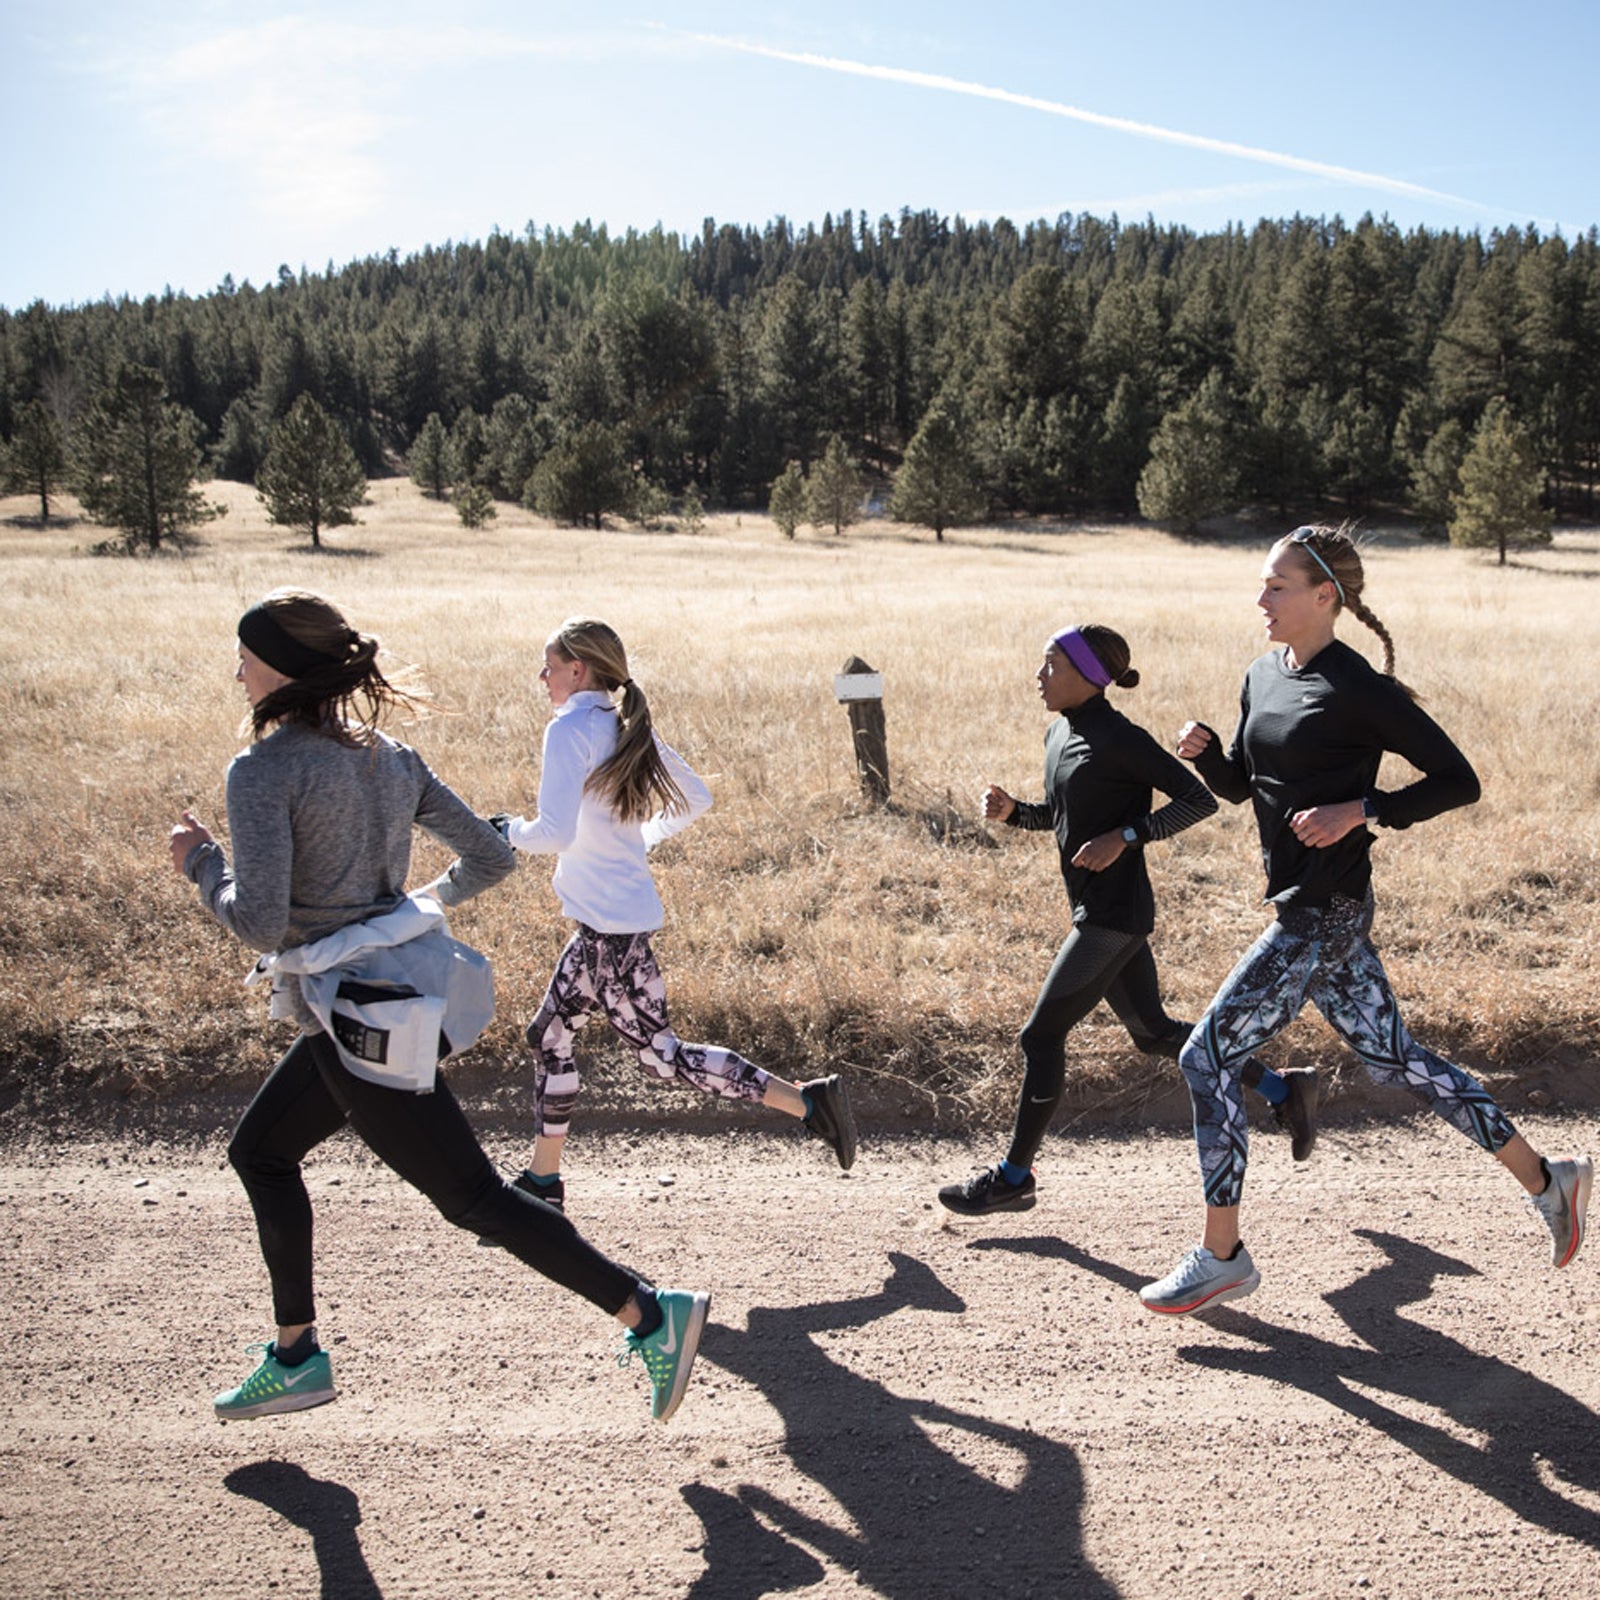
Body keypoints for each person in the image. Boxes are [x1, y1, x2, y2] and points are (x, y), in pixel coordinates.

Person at [169, 588, 708, 1424]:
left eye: (244, 654)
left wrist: (202, 863)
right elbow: (490, 857)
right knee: (262, 1153)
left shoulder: (263, 770)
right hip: (375, 1003)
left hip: (363, 1024)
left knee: (476, 1200)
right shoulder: (390, 756)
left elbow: (259, 920)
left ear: (279, 667)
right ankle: (295, 1354)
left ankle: (649, 1313)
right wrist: (407, 911)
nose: (236, 669)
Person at [1140, 526, 1592, 1314]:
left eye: (1277, 588)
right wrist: (1208, 758)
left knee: (1205, 1056)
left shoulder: (1358, 688)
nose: (1262, 601)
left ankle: (1223, 1257)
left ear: (1325, 598)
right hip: (1315, 907)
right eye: (1263, 585)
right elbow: (1251, 786)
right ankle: (1547, 1177)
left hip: (1322, 912)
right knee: (1393, 1057)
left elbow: (1459, 780)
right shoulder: (1262, 673)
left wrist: (1363, 809)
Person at [938, 624, 1312, 1218]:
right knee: (1154, 1032)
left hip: (1114, 917)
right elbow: (1063, 821)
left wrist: (1128, 835)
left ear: (1088, 676)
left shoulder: (1119, 737)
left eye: (1051, 665)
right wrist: (1015, 814)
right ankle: (1283, 1089)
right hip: (1098, 911)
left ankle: (1014, 1176)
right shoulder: (1061, 732)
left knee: (1040, 1036)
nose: (1039, 676)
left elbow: (1199, 801)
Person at [491, 616, 855, 1212]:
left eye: (550, 667)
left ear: (578, 670)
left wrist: (506, 832)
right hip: (606, 926)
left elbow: (553, 834)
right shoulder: (622, 723)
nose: (543, 677)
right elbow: (696, 797)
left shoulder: (568, 730)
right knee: (550, 1035)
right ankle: (543, 1183)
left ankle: (810, 1104)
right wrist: (638, 841)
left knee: (663, 1059)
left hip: (608, 933)